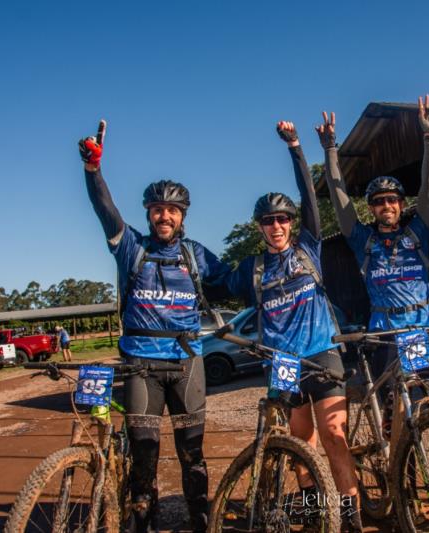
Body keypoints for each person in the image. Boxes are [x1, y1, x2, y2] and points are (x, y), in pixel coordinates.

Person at [79, 120, 229, 533]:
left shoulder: (196, 255)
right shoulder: (133, 249)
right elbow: (104, 211)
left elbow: (237, 280)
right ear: (148, 214)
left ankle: (200, 520)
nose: (165, 216)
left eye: (173, 210)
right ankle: (142, 518)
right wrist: (94, 172)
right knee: (144, 452)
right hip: (141, 366)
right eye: (158, 210)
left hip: (186, 365)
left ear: (183, 217)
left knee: (192, 453)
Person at [224, 121, 363, 532]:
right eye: (269, 220)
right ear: (260, 226)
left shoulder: (308, 249)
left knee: (335, 436)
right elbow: (211, 281)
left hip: (322, 351)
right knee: (301, 445)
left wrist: (296, 148)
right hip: (283, 363)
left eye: (283, 218)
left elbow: (308, 196)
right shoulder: (253, 269)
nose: (277, 226)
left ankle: (351, 519)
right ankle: (317, 512)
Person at [318, 96, 429, 425]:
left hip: (426, 326)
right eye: (378, 202)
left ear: (401, 203)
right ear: (371, 208)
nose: (386, 206)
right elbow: (339, 202)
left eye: (392, 199)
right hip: (386, 334)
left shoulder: (418, 231)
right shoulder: (362, 239)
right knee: (393, 411)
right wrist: (330, 150)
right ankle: (399, 469)